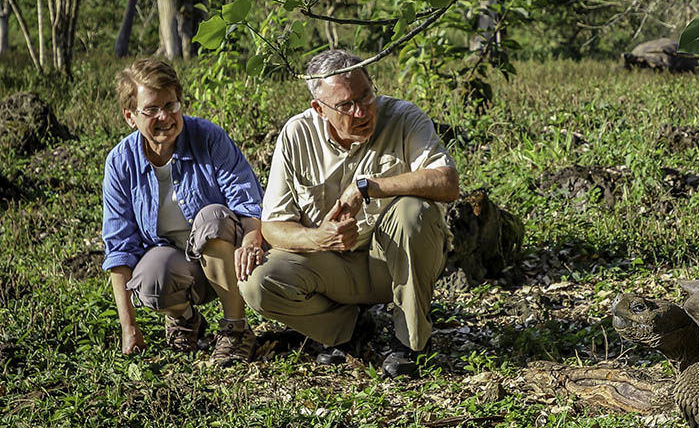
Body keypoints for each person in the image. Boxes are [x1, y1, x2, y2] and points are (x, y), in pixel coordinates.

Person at [240, 49, 459, 378]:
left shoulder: (403, 117)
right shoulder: (297, 134)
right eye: (345, 105)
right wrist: (318, 237)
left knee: (412, 210)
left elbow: (447, 182)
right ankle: (348, 330)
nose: (362, 111)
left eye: (366, 95)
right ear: (319, 108)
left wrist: (366, 187)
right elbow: (273, 225)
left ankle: (411, 341)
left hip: (395, 261)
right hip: (333, 265)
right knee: (258, 281)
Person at [102, 59, 265, 365]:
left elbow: (246, 201)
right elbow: (119, 247)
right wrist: (129, 326)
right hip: (178, 263)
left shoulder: (208, 136)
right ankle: (185, 319)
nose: (165, 116)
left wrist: (254, 240)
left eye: (171, 105)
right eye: (151, 109)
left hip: (227, 256)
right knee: (150, 276)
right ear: (130, 116)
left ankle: (236, 328)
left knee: (210, 218)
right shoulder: (120, 163)